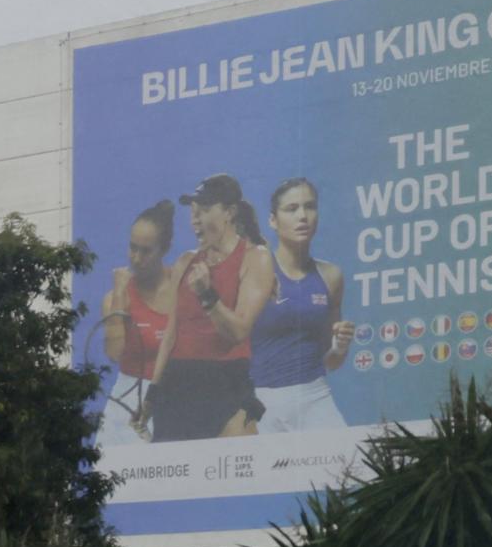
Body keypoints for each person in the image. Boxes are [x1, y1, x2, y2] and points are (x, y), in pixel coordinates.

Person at [149, 175, 266, 440]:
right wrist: (153, 392)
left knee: (238, 478)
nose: (195, 220)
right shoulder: (184, 262)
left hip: (227, 380)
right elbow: (170, 333)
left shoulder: (255, 257)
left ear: (230, 212)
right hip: (177, 384)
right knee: (175, 478)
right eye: (193, 213)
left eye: (203, 211)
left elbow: (238, 331)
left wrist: (207, 295)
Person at [247, 177, 357, 432]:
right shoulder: (254, 273)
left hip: (314, 396)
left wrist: (340, 346)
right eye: (292, 209)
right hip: (263, 399)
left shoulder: (331, 276)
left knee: (347, 468)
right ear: (273, 220)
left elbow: (330, 361)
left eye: (310, 206)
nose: (303, 216)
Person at [91, 202, 178, 449]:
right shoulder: (116, 298)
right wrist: (120, 295)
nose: (136, 258)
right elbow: (114, 353)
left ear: (164, 249)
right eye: (133, 248)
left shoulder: (183, 287)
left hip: (175, 395)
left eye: (146, 251)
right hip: (128, 398)